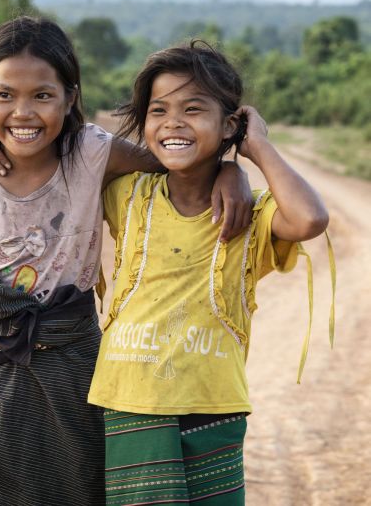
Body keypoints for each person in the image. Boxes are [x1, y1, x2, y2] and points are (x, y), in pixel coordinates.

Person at [0, 17, 251, 506]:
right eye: (5, 96)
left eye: (42, 95)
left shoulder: (90, 155)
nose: (24, 112)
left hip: (79, 374)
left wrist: (229, 170)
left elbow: (178, 162)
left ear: (69, 98)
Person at [86, 42, 332, 505]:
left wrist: (252, 149)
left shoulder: (250, 215)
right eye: (158, 111)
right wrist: (220, 163)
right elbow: (75, 152)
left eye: (193, 109)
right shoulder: (128, 195)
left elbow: (309, 219)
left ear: (229, 125)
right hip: (130, 400)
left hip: (213, 404)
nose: (173, 122)